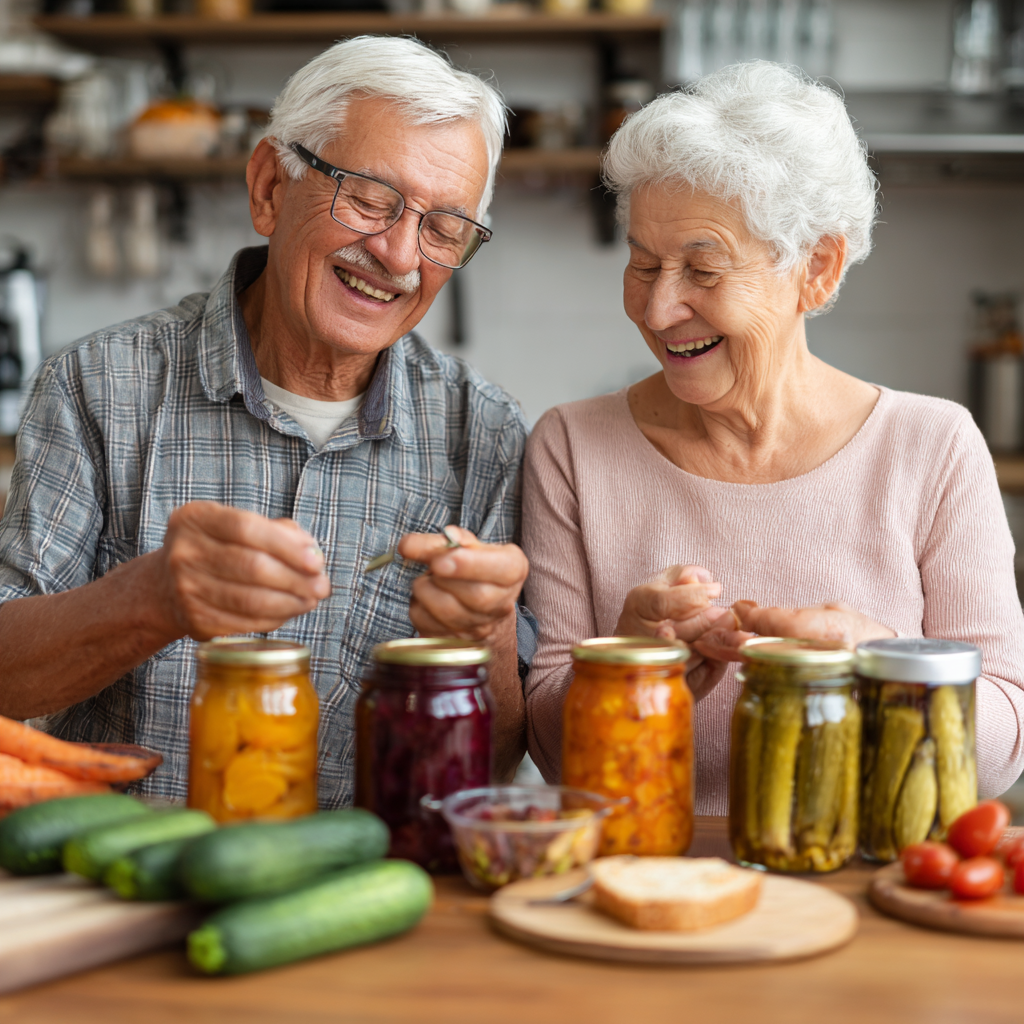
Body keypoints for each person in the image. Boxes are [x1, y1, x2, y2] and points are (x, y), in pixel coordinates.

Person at [0, 36, 532, 803]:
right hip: (124, 888)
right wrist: (147, 603)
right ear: (269, 188)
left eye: (443, 228)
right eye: (369, 197)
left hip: (359, 898)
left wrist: (486, 638)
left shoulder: (484, 434)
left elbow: (496, 769)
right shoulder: (98, 386)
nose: (399, 254)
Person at [522, 62, 1024, 814]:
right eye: (643, 263)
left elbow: (1001, 752)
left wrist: (880, 666)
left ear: (815, 270)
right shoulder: (571, 448)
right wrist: (627, 662)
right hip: (650, 874)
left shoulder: (933, 447)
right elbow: (555, 753)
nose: (658, 310)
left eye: (702, 268)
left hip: (864, 890)